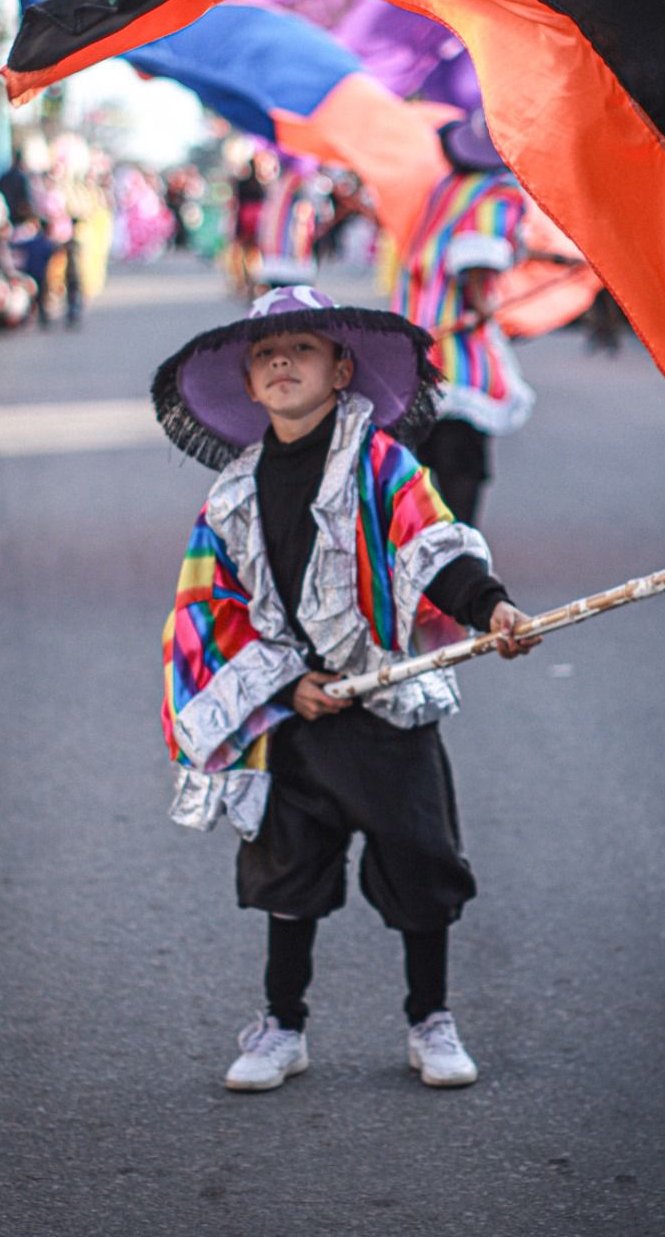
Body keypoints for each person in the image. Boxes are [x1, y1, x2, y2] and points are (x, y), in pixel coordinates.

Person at [152, 284, 538, 1092]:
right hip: (293, 717)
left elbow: (432, 548)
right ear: (251, 385)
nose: (280, 361)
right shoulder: (230, 496)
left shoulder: (385, 464)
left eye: (300, 348)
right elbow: (205, 613)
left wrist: (491, 606)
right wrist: (288, 688)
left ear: (340, 371)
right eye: (264, 355)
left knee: (421, 866)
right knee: (285, 875)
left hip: (384, 710)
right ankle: (281, 1025)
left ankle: (429, 1018)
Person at [395, 110, 535, 527]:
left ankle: (419, 542)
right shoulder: (499, 193)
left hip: (415, 329)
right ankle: (456, 553)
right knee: (461, 465)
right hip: (456, 346)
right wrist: (483, 302)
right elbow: (475, 257)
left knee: (419, 460)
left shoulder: (447, 188)